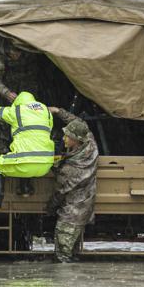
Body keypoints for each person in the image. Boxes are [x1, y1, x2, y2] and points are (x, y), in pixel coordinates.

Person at [0, 90, 55, 209]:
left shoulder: (17, 111)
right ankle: (25, 189)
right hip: (46, 164)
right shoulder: (46, 113)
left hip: (26, 163)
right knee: (25, 158)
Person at [45, 107, 99, 263]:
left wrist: (49, 210)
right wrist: (58, 111)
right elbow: (79, 122)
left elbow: (59, 194)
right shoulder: (90, 144)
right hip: (83, 210)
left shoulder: (70, 170)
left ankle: (66, 285)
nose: (63, 139)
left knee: (62, 258)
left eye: (67, 136)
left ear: (76, 140)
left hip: (70, 215)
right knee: (71, 256)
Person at [0, 36, 40, 154]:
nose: (16, 56)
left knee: (28, 120)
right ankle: (2, 152)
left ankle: (28, 150)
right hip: (8, 91)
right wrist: (5, 92)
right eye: (13, 53)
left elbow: (35, 75)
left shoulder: (30, 53)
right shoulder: (0, 58)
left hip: (27, 91)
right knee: (4, 122)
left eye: (18, 53)